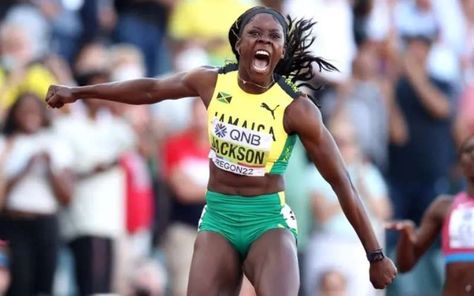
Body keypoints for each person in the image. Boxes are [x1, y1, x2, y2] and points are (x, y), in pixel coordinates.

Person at [45, 6, 397, 294]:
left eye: (273, 36)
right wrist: (79, 92)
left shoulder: (297, 109)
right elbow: (150, 89)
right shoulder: (211, 82)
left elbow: (342, 183)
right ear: (239, 44)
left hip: (267, 220)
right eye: (254, 34)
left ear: (282, 51)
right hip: (218, 218)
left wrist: (376, 254)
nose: (263, 40)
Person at [386, 133, 474, 295]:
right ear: (460, 163)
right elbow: (405, 265)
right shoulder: (443, 207)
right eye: (469, 150)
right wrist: (406, 236)